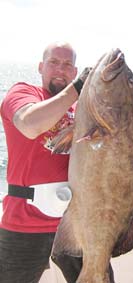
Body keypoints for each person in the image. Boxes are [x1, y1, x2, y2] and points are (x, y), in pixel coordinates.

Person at [0, 42, 114, 283]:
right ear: (41, 67)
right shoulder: (22, 93)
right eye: (53, 63)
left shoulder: (85, 107)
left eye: (67, 65)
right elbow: (30, 125)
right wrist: (77, 88)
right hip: (25, 221)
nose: (60, 70)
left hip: (77, 222)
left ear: (74, 71)